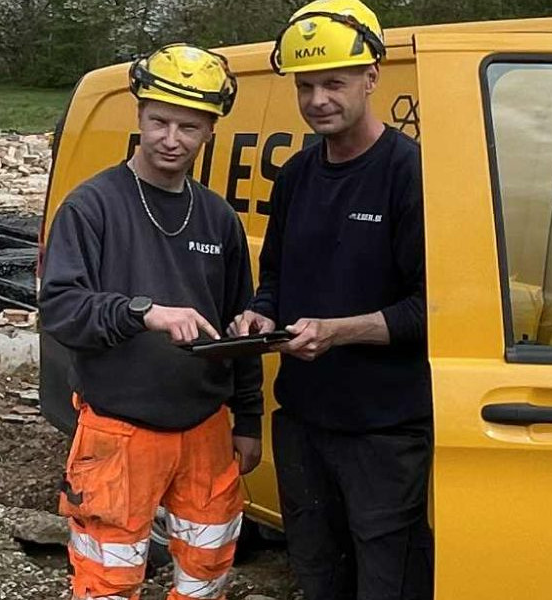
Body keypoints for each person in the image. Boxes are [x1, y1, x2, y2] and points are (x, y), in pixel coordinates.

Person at [40, 42, 263, 600]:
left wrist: (249, 418)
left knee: (208, 571)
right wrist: (142, 312)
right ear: (138, 115)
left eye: (188, 127)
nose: (171, 139)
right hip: (119, 429)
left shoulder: (217, 217)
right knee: (108, 579)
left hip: (207, 428)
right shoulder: (91, 207)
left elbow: (241, 326)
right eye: (159, 121)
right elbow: (61, 309)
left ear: (210, 129)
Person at [230, 2, 432, 598]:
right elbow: (274, 279)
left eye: (334, 83)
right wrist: (261, 311)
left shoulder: (408, 173)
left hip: (385, 433)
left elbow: (433, 309)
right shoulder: (294, 176)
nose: (318, 99)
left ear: (372, 78)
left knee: (387, 582)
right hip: (303, 423)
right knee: (316, 577)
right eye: (307, 85)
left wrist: (338, 331)